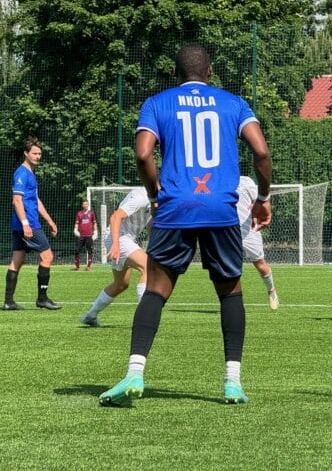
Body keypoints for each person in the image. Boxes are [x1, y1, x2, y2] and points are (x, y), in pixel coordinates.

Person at [99, 44, 272, 407]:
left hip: (175, 208)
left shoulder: (157, 103)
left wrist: (155, 194)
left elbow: (143, 153)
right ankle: (232, 383)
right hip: (220, 210)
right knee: (230, 292)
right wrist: (263, 198)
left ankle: (134, 372)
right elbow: (261, 152)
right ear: (210, 72)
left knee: (156, 291)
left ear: (176, 74)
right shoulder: (234, 103)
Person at [3, 136, 61, 311]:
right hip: (27, 224)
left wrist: (50, 220)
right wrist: (26, 223)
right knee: (47, 256)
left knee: (17, 260)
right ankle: (42, 299)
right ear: (26, 154)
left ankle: (8, 302)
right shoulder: (21, 173)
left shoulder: (30, 174)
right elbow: (17, 201)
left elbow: (35, 200)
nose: (38, 156)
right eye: (34, 153)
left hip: (23, 223)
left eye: (39, 153)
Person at [80, 187, 151, 327]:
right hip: (118, 238)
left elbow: (149, 223)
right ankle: (145, 319)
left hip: (124, 239)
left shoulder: (157, 199)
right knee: (148, 267)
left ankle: (90, 315)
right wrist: (116, 245)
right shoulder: (142, 196)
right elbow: (115, 217)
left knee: (121, 284)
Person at [237, 176, 279, 310]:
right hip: (227, 233)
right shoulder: (219, 181)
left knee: (261, 265)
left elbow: (261, 200)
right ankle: (233, 301)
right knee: (229, 268)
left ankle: (271, 290)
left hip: (249, 232)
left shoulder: (245, 182)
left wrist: (255, 211)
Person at [72, 199, 98, 271]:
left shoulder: (91, 213)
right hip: (81, 236)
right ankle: (77, 267)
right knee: (77, 250)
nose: (85, 205)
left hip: (89, 235)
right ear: (82, 205)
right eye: (84, 204)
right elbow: (77, 223)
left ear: (88, 204)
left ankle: (88, 266)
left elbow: (94, 223)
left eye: (86, 204)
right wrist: (75, 229)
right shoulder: (79, 213)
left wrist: (95, 231)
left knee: (90, 250)